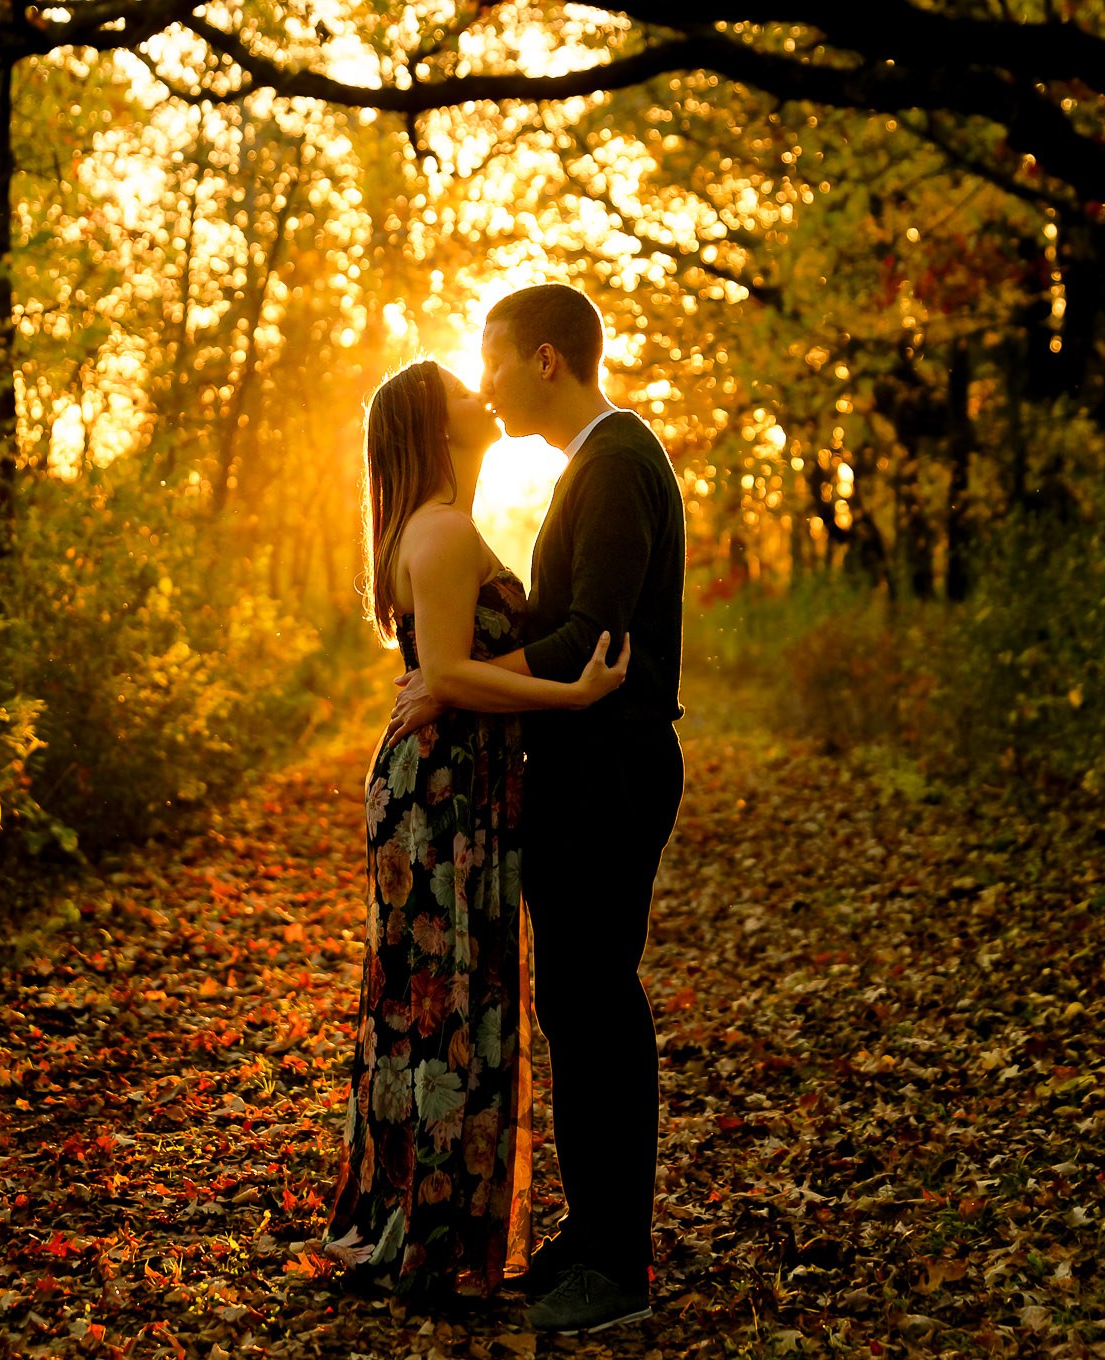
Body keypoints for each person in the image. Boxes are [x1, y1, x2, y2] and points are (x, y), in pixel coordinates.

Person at [388, 285, 686, 1336]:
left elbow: (594, 644)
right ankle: (592, 1233)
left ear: (547, 361)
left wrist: (460, 676)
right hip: (580, 770)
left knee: (597, 1005)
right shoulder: (593, 467)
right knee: (574, 1005)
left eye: (494, 359)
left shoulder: (612, 465)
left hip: (608, 770)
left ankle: (619, 1264)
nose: (483, 382)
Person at [321, 359, 631, 1304]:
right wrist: (569, 693)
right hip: (445, 793)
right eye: (460, 385)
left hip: (456, 783)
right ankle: (425, 1227)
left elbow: (442, 672)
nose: (480, 390)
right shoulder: (445, 530)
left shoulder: (432, 527)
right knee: (449, 999)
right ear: (435, 421)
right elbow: (451, 674)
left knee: (437, 996)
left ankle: (418, 1217)